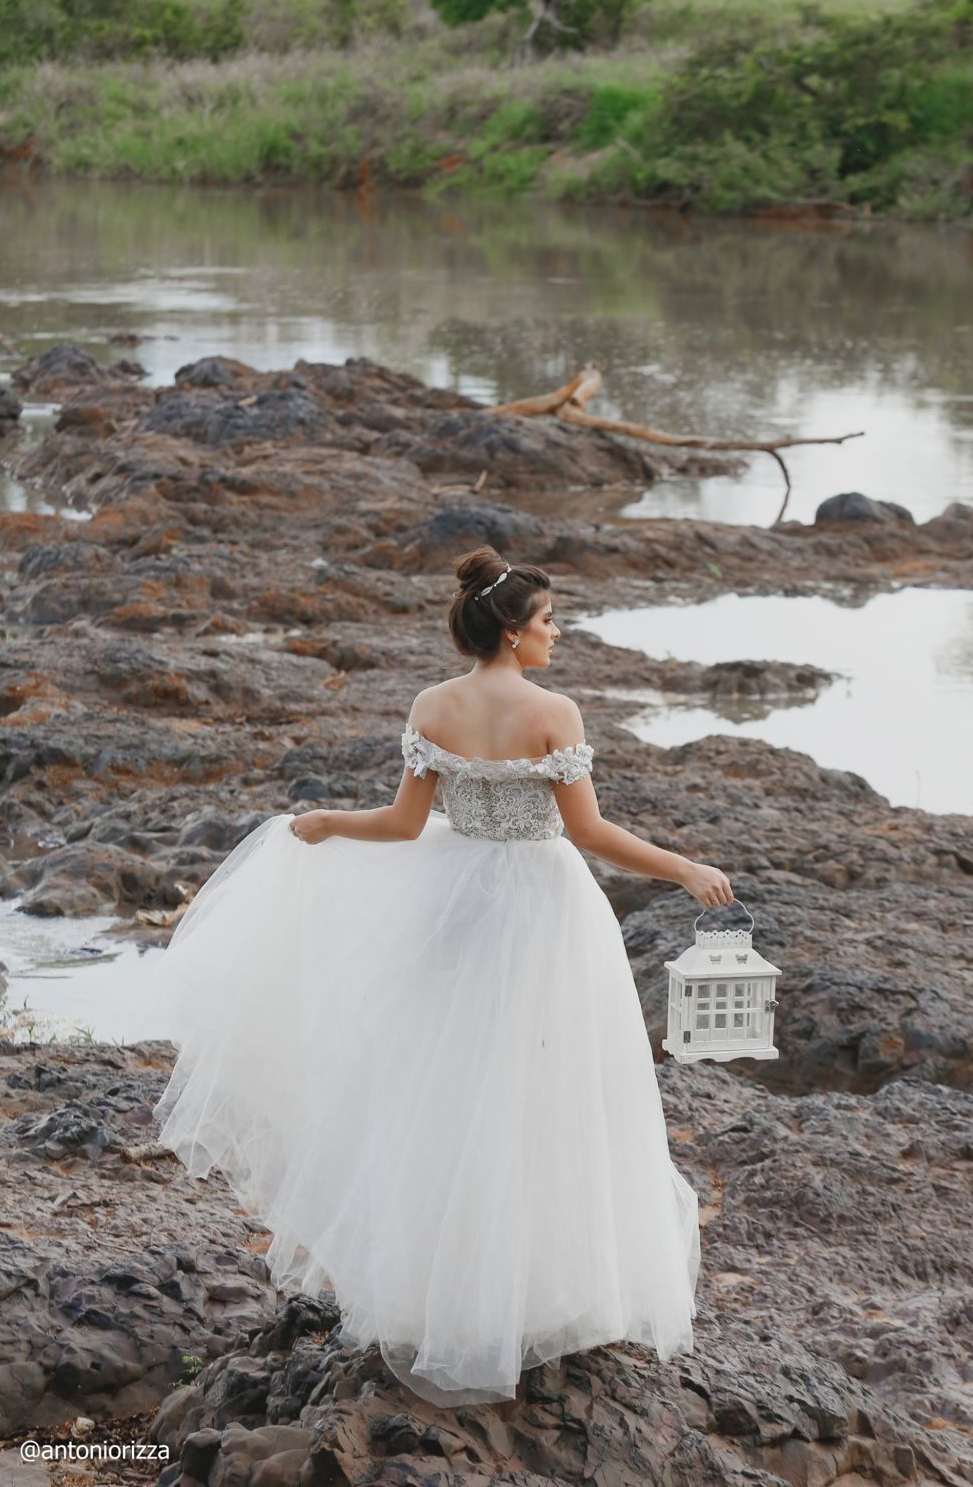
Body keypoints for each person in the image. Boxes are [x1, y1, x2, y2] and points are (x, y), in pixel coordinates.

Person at [133, 545, 735, 1409]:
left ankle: (440, 1289)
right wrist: (683, 869)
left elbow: (404, 822)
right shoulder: (552, 712)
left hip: (454, 902)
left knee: (449, 1082)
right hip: (540, 904)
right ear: (512, 631)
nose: (557, 633)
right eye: (549, 620)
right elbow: (592, 835)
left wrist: (327, 822)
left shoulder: (431, 704)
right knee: (545, 1087)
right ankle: (533, 1294)